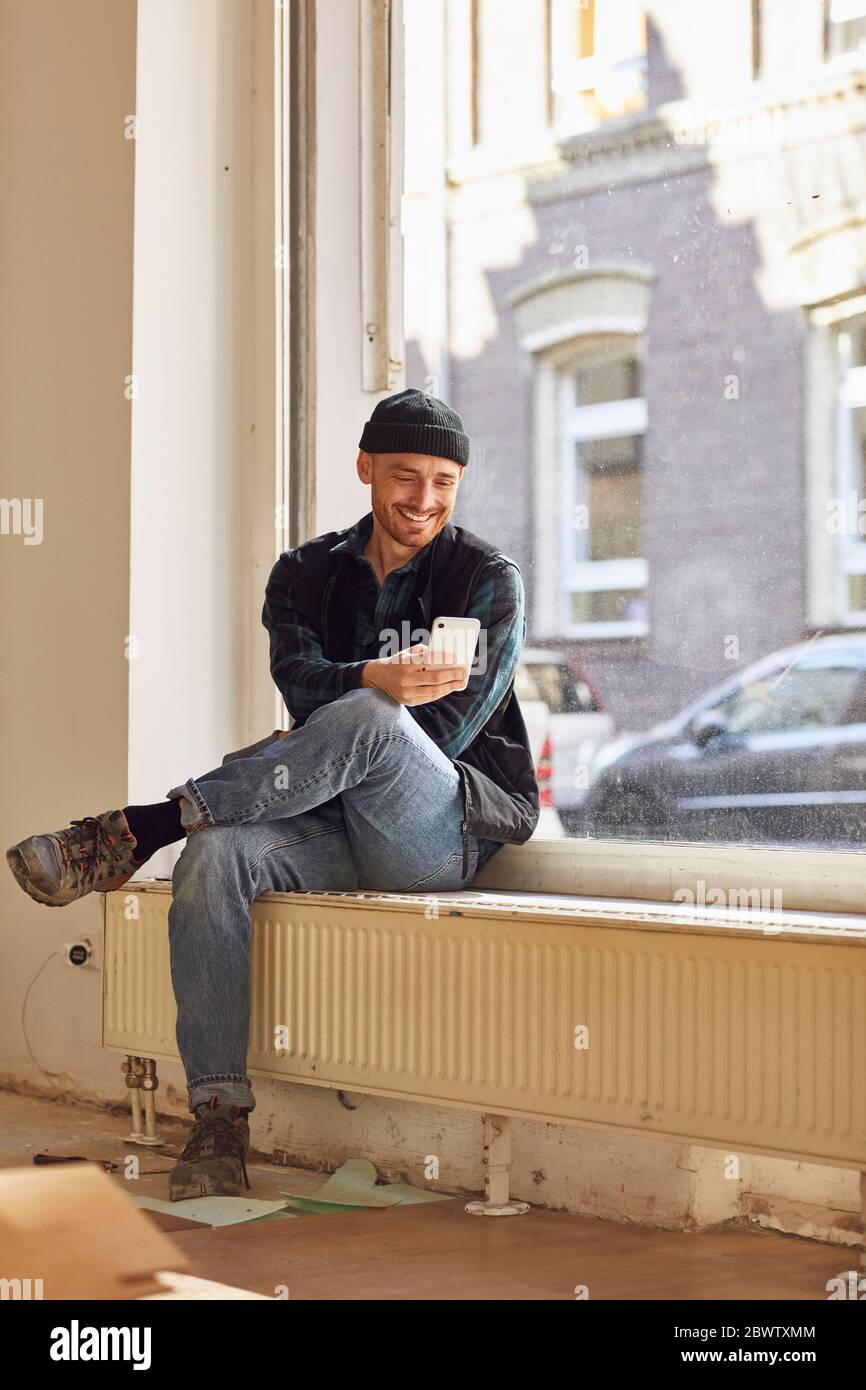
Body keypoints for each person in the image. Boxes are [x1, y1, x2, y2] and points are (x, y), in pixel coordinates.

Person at [6, 388, 539, 1199]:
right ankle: (219, 1124)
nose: (423, 500)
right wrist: (369, 685)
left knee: (369, 713)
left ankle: (136, 829)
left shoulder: (488, 580)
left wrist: (363, 698)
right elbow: (297, 680)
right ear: (365, 468)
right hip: (323, 823)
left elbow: (450, 727)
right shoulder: (303, 573)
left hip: (437, 830)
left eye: (443, 482)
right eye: (403, 475)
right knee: (216, 853)